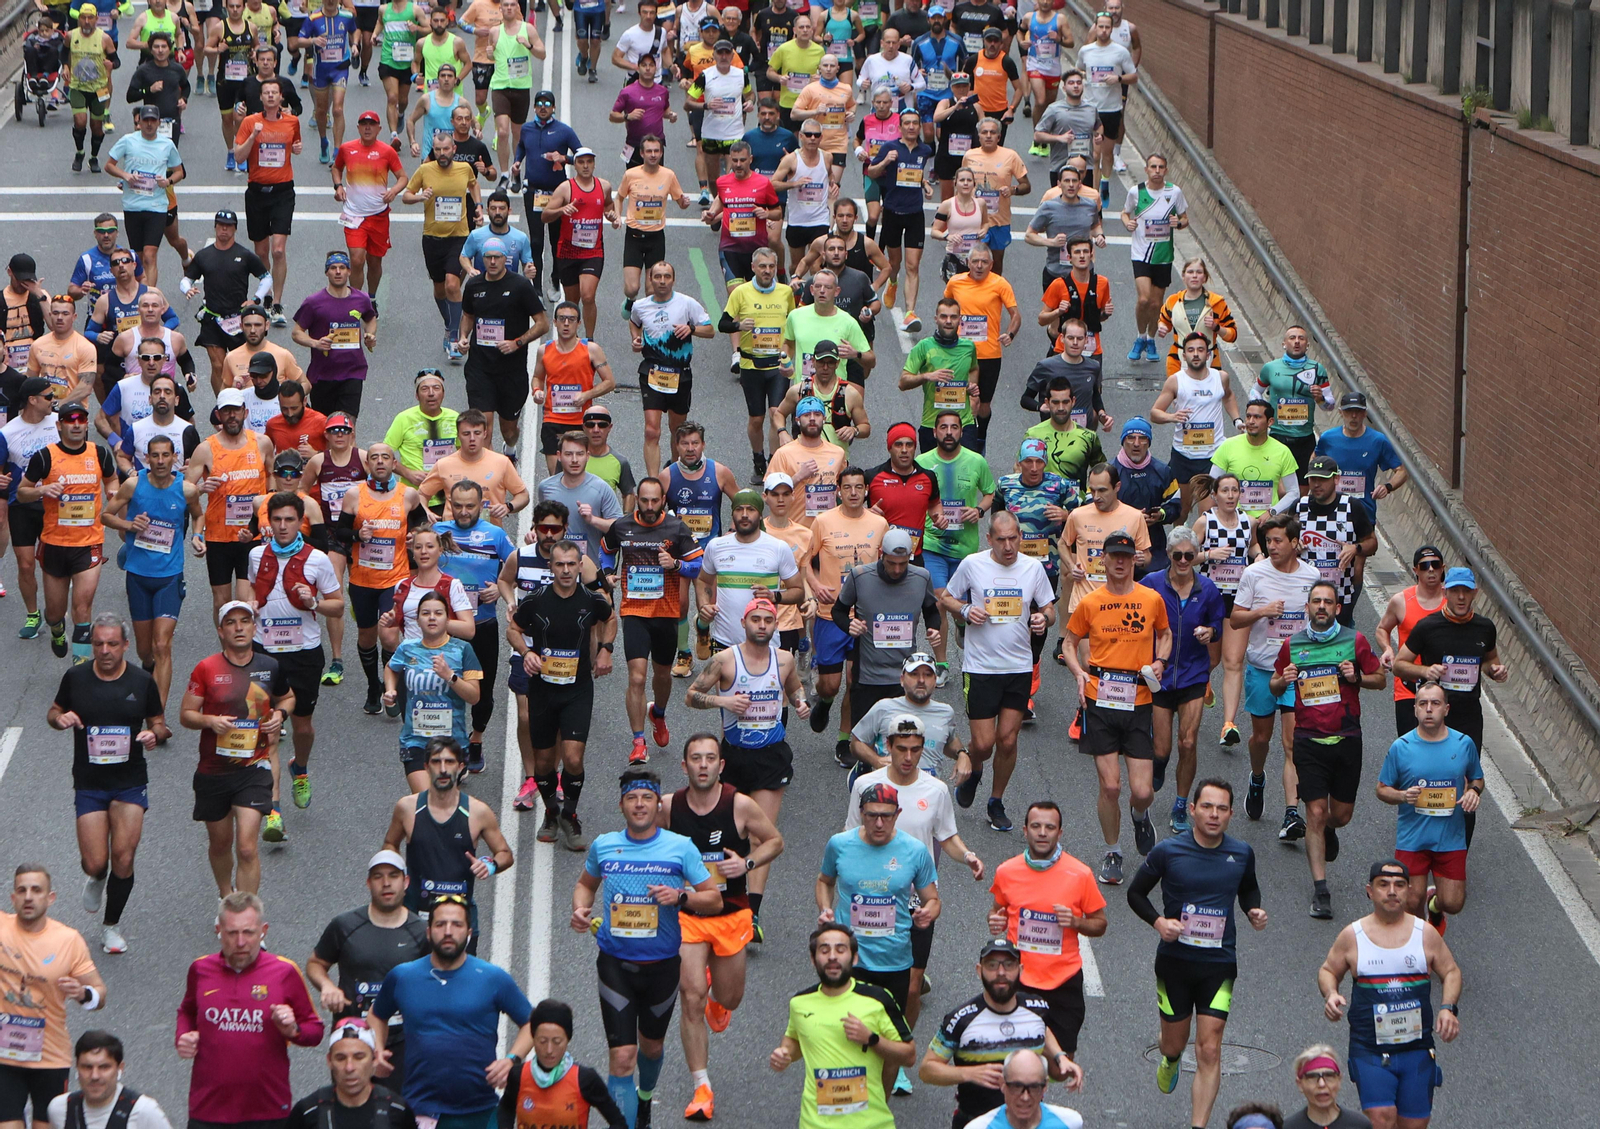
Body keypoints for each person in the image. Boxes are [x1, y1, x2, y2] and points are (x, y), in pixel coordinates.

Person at [571, 770, 722, 1129]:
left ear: (658, 805)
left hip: (662, 967)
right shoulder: (605, 846)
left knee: (650, 1048)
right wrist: (579, 908)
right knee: (623, 1057)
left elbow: (714, 899)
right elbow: (585, 885)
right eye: (631, 798)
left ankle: (644, 1099)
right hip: (615, 965)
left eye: (646, 798)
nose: (639, 805)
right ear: (621, 805)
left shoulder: (680, 847)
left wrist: (681, 896)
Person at [843, 717, 980, 1094]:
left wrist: (967, 856)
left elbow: (947, 836)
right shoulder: (867, 785)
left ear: (923, 750)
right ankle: (860, 1052)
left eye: (915, 750)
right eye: (900, 749)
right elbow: (849, 835)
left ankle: (896, 1053)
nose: (907, 757)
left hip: (917, 902)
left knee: (912, 986)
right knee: (862, 980)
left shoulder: (935, 790)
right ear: (887, 746)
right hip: (871, 899)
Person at [1127, 780, 1266, 1129]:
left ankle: (1198, 1125)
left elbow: (1249, 888)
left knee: (1209, 1048)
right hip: (1174, 963)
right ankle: (1170, 1058)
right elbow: (1135, 893)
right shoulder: (1168, 851)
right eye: (1207, 807)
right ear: (1192, 810)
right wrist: (1159, 922)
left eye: (1222, 808)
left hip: (1219, 965)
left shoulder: (1241, 853)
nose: (1214, 814)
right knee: (1174, 1044)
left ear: (1231, 814)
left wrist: (1253, 910)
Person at [660, 734, 786, 1119]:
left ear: (721, 765)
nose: (703, 765)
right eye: (696, 758)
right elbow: (646, 842)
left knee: (729, 999)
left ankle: (718, 998)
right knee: (691, 996)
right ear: (684, 765)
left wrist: (745, 864)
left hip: (730, 912)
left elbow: (774, 841)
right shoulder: (669, 806)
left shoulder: (739, 804)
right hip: (687, 914)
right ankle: (702, 1087)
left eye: (710, 758)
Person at [46, 614, 164, 954]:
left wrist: (154, 735)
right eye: (98, 644)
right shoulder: (76, 678)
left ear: (125, 645)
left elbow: (159, 722)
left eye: (112, 644)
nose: (105, 650)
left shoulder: (141, 681)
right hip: (90, 783)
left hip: (129, 782)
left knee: (124, 858)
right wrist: (60, 718)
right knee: (96, 862)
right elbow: (53, 711)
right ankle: (98, 877)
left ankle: (111, 926)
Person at [368, 894, 534, 1129]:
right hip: (420, 1110)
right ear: (428, 932)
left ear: (468, 933)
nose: (448, 931)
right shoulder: (403, 976)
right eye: (440, 924)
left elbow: (532, 1023)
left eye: (456, 924)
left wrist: (511, 1060)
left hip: (480, 1110)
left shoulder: (492, 978)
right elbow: (376, 1015)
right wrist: (377, 1048)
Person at [1270, 581, 1385, 918]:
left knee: (1341, 815)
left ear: (1337, 608)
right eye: (1316, 601)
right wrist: (1283, 679)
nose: (1321, 606)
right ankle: (1321, 890)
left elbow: (1380, 679)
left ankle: (1331, 829)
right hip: (1308, 739)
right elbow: (1274, 684)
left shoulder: (1355, 641)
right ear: (1307, 607)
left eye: (1328, 602)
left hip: (1347, 737)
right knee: (1315, 814)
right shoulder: (1293, 645)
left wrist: (1356, 677)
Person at [1317, 859, 1461, 1129]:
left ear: (1409, 891)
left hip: (1416, 1046)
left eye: (1399, 885)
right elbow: (1328, 970)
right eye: (1383, 885)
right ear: (1370, 891)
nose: (1392, 891)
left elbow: (1451, 971)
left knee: (1414, 1124)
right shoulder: (1353, 935)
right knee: (1380, 1118)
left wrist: (1448, 1008)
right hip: (1369, 1047)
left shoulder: (1425, 934)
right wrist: (1331, 994)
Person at [1060, 530, 1171, 880]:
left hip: (1139, 701)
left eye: (1126, 556)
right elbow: (1068, 643)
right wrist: (1078, 673)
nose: (1120, 562)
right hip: (1100, 700)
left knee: (1143, 791)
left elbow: (1165, 634)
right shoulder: (1090, 602)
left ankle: (1139, 815)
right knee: (1110, 786)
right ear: (1103, 560)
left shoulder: (1151, 599)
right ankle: (1113, 852)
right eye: (1114, 556)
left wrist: (1160, 661)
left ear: (1134, 560)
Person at [940, 512, 1054, 830]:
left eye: (1013, 538)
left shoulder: (1032, 568)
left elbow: (1049, 608)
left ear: (1020, 537)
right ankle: (975, 768)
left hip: (1018, 667)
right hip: (980, 668)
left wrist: (1043, 619)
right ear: (989, 539)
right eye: (1001, 540)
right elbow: (946, 598)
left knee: (1007, 740)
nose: (1008, 546)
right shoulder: (972, 565)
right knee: (983, 744)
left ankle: (996, 801)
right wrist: (965, 609)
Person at [176, 892, 324, 1128]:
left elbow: (315, 1030)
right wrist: (183, 1036)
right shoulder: (200, 969)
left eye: (248, 932)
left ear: (263, 930)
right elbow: (187, 1010)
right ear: (219, 930)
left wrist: (292, 1030)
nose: (240, 942)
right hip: (208, 1110)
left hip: (267, 1111)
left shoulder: (284, 972)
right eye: (232, 933)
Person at [508, 539, 616, 844]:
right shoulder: (536, 600)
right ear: (551, 567)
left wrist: (606, 649)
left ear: (580, 566)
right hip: (542, 690)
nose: (566, 570)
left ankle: (569, 814)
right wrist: (526, 652)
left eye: (571, 564)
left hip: (577, 690)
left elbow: (610, 619)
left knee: (572, 758)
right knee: (543, 763)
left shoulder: (592, 599)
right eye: (560, 565)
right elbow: (513, 629)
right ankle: (551, 812)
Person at [986, 800, 1107, 1068]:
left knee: (1060, 1068)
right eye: (1036, 826)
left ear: (1059, 833)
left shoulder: (1080, 874)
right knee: (1021, 1063)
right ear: (1025, 830)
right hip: (1020, 980)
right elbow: (997, 911)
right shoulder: (1007, 871)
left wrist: (1075, 922)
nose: (1042, 833)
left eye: (1049, 827)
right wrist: (995, 921)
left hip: (1064, 981)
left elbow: (1100, 924)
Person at [247, 490, 344, 814]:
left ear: (300, 521)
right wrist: (248, 606)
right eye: (277, 519)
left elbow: (337, 606)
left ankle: (299, 768)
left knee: (302, 727)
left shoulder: (317, 559)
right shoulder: (256, 555)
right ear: (269, 522)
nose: (283, 525)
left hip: (303, 653)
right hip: (263, 652)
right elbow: (251, 591)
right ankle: (271, 806)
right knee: (267, 728)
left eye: (289, 519)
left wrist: (314, 602)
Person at [181, 600, 292, 874]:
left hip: (254, 768)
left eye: (245, 621)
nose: (239, 628)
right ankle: (225, 892)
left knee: (246, 848)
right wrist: (210, 721)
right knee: (221, 844)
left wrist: (280, 714)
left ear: (254, 627)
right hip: (214, 770)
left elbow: (288, 697)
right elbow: (186, 715)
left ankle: (247, 903)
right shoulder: (206, 668)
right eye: (231, 623)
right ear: (221, 631)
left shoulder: (270, 666)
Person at [921, 938, 1082, 1128]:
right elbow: (927, 1070)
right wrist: (968, 1073)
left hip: (1027, 1121)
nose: (1001, 972)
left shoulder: (1037, 1009)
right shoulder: (961, 1020)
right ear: (979, 970)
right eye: (992, 965)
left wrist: (1059, 1056)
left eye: (1009, 965)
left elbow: (1042, 1030)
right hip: (975, 1122)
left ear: (1020, 970)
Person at [770, 923, 914, 1127]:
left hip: (871, 1124)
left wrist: (872, 1039)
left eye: (840, 949)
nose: (832, 957)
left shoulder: (878, 1000)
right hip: (815, 1124)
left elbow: (909, 1056)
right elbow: (794, 1039)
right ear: (813, 959)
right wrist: (784, 1054)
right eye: (824, 950)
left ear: (854, 958)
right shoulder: (800, 1003)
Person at [1231, 512, 1320, 838]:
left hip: (1298, 671)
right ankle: (1257, 777)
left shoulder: (1312, 576)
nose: (1271, 546)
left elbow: (1321, 619)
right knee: (1261, 739)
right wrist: (1262, 612)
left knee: (1292, 742)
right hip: (1262, 667)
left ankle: (1291, 814)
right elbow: (1236, 619)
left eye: (1278, 540)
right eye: (1268, 540)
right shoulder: (1254, 574)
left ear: (1295, 543)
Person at [307, 853, 429, 1088]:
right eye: (378, 877)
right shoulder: (345, 925)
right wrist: (327, 986)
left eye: (393, 876)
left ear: (406, 882)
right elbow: (316, 964)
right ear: (368, 883)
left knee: (396, 1109)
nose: (386, 883)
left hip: (401, 1042)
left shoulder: (421, 932)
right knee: (350, 1105)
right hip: (351, 1041)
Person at [0, 865, 106, 1129]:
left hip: (49, 1056)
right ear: (13, 898)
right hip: (3, 1057)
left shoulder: (68, 941)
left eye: (36, 890)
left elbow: (100, 993)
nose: (28, 897)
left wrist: (83, 994)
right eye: (22, 890)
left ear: (50, 898)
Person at [1376, 680, 1483, 933]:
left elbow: (1477, 778)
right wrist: (1402, 796)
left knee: (1453, 903)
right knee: (1411, 902)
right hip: (1413, 838)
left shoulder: (1463, 744)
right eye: (1422, 703)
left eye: (1435, 703)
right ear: (1414, 709)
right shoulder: (1401, 747)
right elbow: (1381, 789)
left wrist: (1473, 791)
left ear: (1446, 709)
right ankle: (1422, 944)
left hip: (1450, 838)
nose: (1428, 709)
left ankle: (1435, 905)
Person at [16, 400, 118, 662]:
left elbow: (111, 478)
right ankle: (57, 629)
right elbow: (22, 492)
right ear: (59, 425)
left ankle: (80, 664)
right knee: (54, 612)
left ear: (86, 424)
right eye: (70, 420)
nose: (76, 425)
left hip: (89, 543)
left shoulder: (99, 453)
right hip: (55, 543)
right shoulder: (45, 456)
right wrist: (42, 490)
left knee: (82, 607)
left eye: (81, 419)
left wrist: (112, 492)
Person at [1138, 526, 1224, 834]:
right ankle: (1159, 764)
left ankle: (1181, 803)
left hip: (1193, 674)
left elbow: (1217, 624)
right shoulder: (1151, 584)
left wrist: (1210, 632)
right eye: (1178, 556)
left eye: (1190, 555)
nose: (1184, 561)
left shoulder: (1208, 589)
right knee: (1161, 750)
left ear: (1196, 556)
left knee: (1188, 742)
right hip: (1160, 677)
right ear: (1169, 555)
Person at [383, 737, 511, 928]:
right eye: (436, 762)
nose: (443, 769)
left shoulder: (478, 812)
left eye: (449, 762)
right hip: (415, 918)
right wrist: (396, 872)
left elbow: (505, 854)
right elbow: (390, 844)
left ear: (460, 767)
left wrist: (490, 865)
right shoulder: (407, 808)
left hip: (460, 920)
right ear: (426, 767)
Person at [917, 410, 995, 676]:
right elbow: (916, 498)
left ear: (961, 432)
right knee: (940, 601)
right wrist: (930, 514)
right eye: (943, 427)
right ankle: (941, 665)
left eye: (954, 427)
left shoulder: (976, 461)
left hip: (965, 548)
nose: (949, 432)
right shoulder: (922, 463)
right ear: (935, 432)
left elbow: (990, 493)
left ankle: (961, 624)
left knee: (958, 604)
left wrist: (979, 510)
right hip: (933, 545)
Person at [456, 238, 547, 455]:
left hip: (511, 371)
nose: (492, 262)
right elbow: (468, 315)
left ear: (506, 259)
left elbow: (543, 324)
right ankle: (489, 473)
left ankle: (510, 448)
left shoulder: (520, 286)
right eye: (488, 257)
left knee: (509, 430)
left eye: (497, 257)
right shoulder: (474, 285)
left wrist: (517, 343)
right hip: (480, 369)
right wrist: (463, 337)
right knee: (483, 428)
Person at [186, 388, 273, 610]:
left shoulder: (262, 443)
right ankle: (224, 635)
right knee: (221, 603)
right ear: (218, 415)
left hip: (251, 534)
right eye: (226, 411)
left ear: (245, 412)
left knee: (245, 600)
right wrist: (201, 488)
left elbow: (272, 475)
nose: (232, 416)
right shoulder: (205, 449)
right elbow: (185, 490)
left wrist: (269, 501)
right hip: (219, 536)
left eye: (236, 410)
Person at [695, 488, 804, 653]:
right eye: (739, 509)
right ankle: (702, 629)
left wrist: (775, 596)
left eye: (751, 509)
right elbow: (703, 580)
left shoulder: (778, 547)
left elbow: (798, 591)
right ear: (732, 513)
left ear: (760, 515)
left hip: (766, 643)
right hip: (724, 641)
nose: (744, 515)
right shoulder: (716, 546)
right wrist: (704, 606)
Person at [232, 78, 303, 325]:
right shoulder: (250, 122)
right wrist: (253, 136)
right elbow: (239, 157)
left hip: (283, 191)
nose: (271, 96)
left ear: (281, 97)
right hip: (257, 192)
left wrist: (297, 148)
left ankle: (278, 303)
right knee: (261, 251)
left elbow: (295, 143)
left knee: (278, 250)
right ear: (261, 98)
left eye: (275, 92)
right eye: (266, 93)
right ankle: (268, 295)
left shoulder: (292, 122)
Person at [720, 248, 797, 478]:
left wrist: (788, 357)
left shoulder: (785, 292)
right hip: (751, 366)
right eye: (762, 266)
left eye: (771, 266)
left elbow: (792, 326)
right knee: (756, 419)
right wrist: (739, 326)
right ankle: (758, 459)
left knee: (776, 413)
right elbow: (722, 324)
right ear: (753, 268)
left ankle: (774, 463)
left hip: (777, 366)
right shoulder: (741, 292)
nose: (767, 271)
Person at [403, 135, 479, 362]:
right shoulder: (425, 170)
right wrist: (419, 197)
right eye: (438, 150)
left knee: (452, 284)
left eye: (446, 149)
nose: (442, 153)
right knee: (439, 290)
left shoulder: (464, 168)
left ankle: (455, 336)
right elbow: (406, 196)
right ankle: (450, 324)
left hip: (459, 236)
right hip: (433, 238)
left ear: (453, 149)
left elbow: (473, 184)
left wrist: (478, 206)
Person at [1149, 333, 1240, 521]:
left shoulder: (1221, 377)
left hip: (1212, 455)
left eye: (1200, 350)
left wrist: (1237, 420)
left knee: (1207, 514)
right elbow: (1155, 413)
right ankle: (1179, 540)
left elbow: (1228, 396)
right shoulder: (1176, 381)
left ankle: (1202, 540)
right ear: (1184, 355)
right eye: (1191, 350)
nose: (1196, 354)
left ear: (1208, 354)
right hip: (1183, 455)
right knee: (1181, 511)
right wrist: (1172, 417)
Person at [179, 211, 274, 392]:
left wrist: (255, 299)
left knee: (241, 365)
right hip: (212, 318)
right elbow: (186, 280)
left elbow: (266, 277)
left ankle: (242, 399)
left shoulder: (244, 255)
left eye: (228, 226)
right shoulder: (203, 255)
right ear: (215, 227)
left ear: (235, 229)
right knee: (218, 365)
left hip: (238, 319)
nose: (224, 229)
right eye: (221, 225)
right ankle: (222, 402)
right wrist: (187, 289)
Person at [493, 1001, 626, 1129]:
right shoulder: (518, 1076)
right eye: (542, 1041)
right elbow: (506, 1108)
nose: (549, 1050)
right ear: (533, 1038)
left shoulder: (585, 1080)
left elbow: (619, 1123)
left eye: (557, 1042)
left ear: (568, 1039)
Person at [103, 106, 185, 288]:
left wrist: (168, 181)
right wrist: (125, 176)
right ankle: (140, 291)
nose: (149, 124)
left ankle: (150, 295)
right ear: (139, 122)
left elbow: (179, 171)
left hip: (157, 206)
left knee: (150, 254)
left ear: (158, 122)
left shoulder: (167, 144)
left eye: (153, 120)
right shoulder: (128, 141)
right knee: (139, 257)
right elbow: (109, 165)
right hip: (132, 205)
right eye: (145, 120)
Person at [542, 148, 619, 340]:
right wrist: (561, 210)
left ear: (594, 164)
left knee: (588, 296)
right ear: (575, 165)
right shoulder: (565, 188)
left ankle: (590, 340)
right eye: (581, 162)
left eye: (589, 162)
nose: (585, 166)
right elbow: (545, 216)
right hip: (568, 252)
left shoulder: (604, 186)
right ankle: (573, 339)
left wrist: (611, 215)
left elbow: (608, 205)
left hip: (593, 251)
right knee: (572, 302)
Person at [529, 303, 613, 475]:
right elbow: (537, 377)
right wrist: (537, 391)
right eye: (562, 319)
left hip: (580, 422)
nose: (566, 324)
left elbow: (610, 382)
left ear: (579, 323)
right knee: (556, 477)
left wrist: (586, 395)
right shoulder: (544, 350)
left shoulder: (591, 350)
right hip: (552, 419)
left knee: (577, 474)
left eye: (571, 319)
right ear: (555, 322)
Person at [1294, 455, 1376, 629]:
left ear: (1336, 479)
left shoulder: (1352, 506)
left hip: (1341, 593)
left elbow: (1372, 543)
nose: (1317, 484)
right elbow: (1283, 542)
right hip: (1305, 592)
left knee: (1340, 640)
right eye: (1313, 479)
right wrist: (1293, 546)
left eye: (1323, 479)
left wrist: (1355, 548)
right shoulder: (1299, 507)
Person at [286, 1022, 417, 1129]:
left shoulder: (397, 1110)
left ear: (375, 1059)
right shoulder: (308, 1111)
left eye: (359, 1057)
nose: (349, 1067)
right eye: (341, 1058)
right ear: (329, 1061)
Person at [333, 111, 407, 298]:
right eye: (364, 124)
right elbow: (336, 167)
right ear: (358, 127)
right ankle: (357, 300)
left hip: (378, 216)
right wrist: (338, 186)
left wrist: (394, 191)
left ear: (379, 129)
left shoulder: (387, 151)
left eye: (372, 124)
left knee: (374, 262)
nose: (367, 128)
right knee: (357, 260)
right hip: (354, 215)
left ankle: (371, 298)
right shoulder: (347, 149)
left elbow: (403, 177)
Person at [1120, 153, 1186, 361]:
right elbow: (1125, 213)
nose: (1157, 171)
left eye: (1161, 167)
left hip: (1163, 255)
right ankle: (1140, 337)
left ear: (1166, 170)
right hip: (1141, 253)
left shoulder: (1174, 192)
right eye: (1153, 167)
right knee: (1144, 299)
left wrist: (1179, 223)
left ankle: (1150, 339)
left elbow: (1184, 218)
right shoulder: (1136, 192)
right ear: (1146, 169)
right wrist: (1128, 223)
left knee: (1156, 304)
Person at [1374, 545, 1445, 736]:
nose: (1431, 570)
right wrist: (1388, 649)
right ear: (1416, 571)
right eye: (1425, 566)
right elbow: (1382, 628)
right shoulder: (1401, 601)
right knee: (1410, 746)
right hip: (1408, 688)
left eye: (1435, 565)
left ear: (1442, 568)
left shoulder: (1453, 601)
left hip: (1444, 688)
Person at [615, 135, 691, 311]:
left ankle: (645, 322)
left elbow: (680, 202)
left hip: (656, 237)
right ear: (642, 153)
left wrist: (684, 203)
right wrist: (618, 216)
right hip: (634, 236)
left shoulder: (668, 175)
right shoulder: (631, 174)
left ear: (661, 153)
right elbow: (619, 197)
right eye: (649, 151)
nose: (653, 155)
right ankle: (630, 300)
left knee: (652, 291)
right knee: (632, 288)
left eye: (656, 151)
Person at [46, 1031, 174, 1129]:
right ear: (77, 1067)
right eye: (87, 1067)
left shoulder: (144, 1111)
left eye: (104, 1067)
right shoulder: (59, 1109)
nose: (95, 1076)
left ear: (120, 1068)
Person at [1313, 392, 1406, 522]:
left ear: (1365, 413)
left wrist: (1388, 487)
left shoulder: (1377, 440)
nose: (1354, 416)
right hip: (1331, 512)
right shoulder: (1328, 439)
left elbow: (1401, 471)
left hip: (1363, 513)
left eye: (1358, 411)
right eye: (1349, 411)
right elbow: (1313, 462)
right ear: (1340, 412)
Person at [536, 431, 624, 567]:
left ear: (587, 456)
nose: (574, 460)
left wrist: (593, 520)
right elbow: (542, 521)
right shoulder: (546, 487)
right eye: (568, 454)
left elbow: (620, 528)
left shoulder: (601, 488)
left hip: (590, 569)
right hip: (556, 568)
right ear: (559, 456)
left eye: (580, 454)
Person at [1074, 12, 1134, 209]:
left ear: (1111, 29)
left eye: (1107, 27)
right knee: (1095, 155)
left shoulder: (1120, 52)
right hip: (1090, 108)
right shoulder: (1086, 51)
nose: (1104, 30)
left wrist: (1118, 79)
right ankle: (1094, 195)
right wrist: (1085, 79)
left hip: (1112, 108)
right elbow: (1079, 70)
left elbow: (1133, 76)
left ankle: (1105, 182)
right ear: (1095, 27)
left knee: (1107, 154)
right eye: (1101, 26)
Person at [962, 1048, 1083, 1129]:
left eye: (1034, 1087)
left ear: (1045, 1086)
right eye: (1017, 1086)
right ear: (1002, 1084)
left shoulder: (1070, 1123)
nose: (1025, 1097)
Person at [1155, 259, 1235, 375]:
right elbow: (1163, 321)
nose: (1194, 276)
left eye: (1199, 272)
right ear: (1183, 276)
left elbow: (1232, 335)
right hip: (1177, 361)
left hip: (1210, 361)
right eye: (1190, 272)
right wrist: (1162, 327)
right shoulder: (1172, 301)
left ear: (1204, 277)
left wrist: (1216, 327)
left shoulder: (1217, 303)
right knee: (1176, 387)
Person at [66, 4, 116, 174]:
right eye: (83, 17)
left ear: (96, 19)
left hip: (99, 89)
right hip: (78, 87)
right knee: (80, 121)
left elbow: (116, 60)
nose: (86, 21)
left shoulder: (105, 38)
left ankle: (94, 157)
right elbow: (63, 52)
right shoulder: (71, 35)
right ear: (78, 18)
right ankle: (80, 152)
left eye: (90, 18)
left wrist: (111, 65)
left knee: (96, 126)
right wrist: (65, 66)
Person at [1282, 1047, 1370, 1129]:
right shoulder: (1288, 1127)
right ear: (1300, 1084)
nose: (1321, 1084)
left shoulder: (1360, 1125)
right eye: (1312, 1077)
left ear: (1339, 1080)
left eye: (1329, 1076)